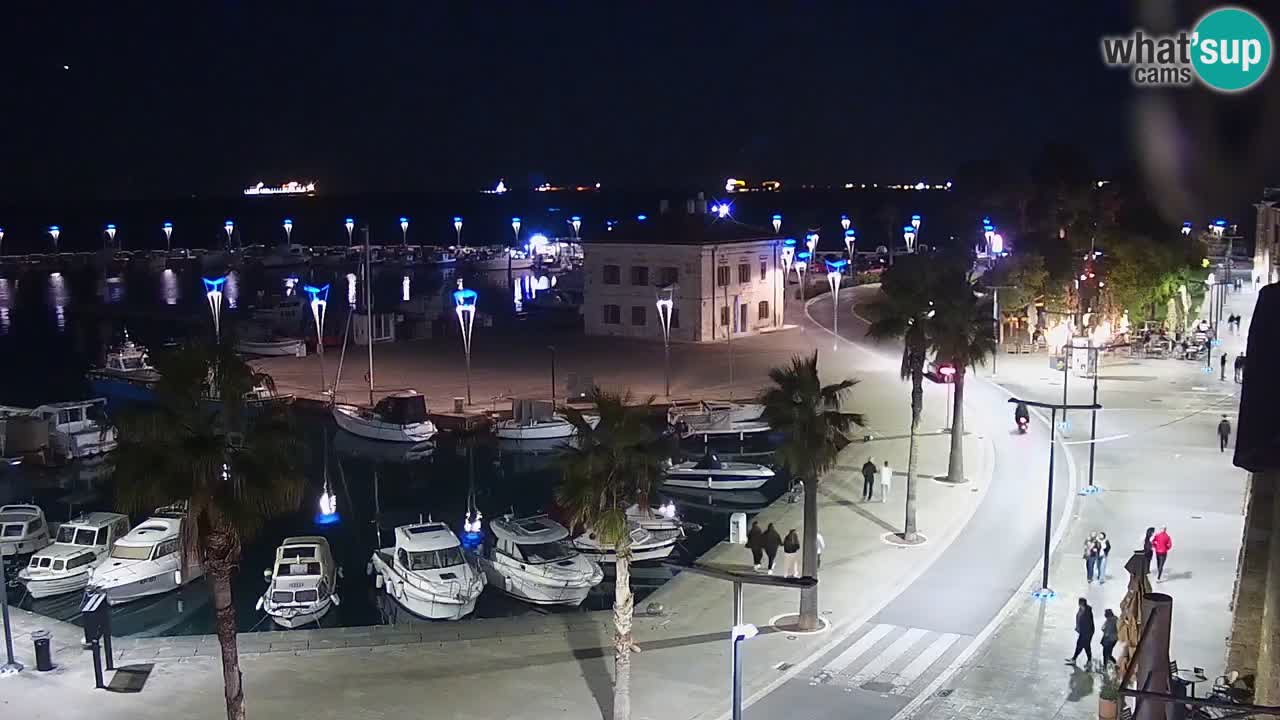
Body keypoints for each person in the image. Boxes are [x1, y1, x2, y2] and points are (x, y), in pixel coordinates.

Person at [1067, 597, 1095, 667]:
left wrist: (1082, 630)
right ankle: (1084, 659)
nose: (1078, 604)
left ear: (1082, 603)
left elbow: (1087, 623)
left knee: (1082, 645)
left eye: (1079, 602)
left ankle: (1075, 659)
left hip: (1087, 632)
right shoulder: (1082, 609)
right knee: (1084, 645)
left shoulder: (1087, 611)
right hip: (1083, 631)